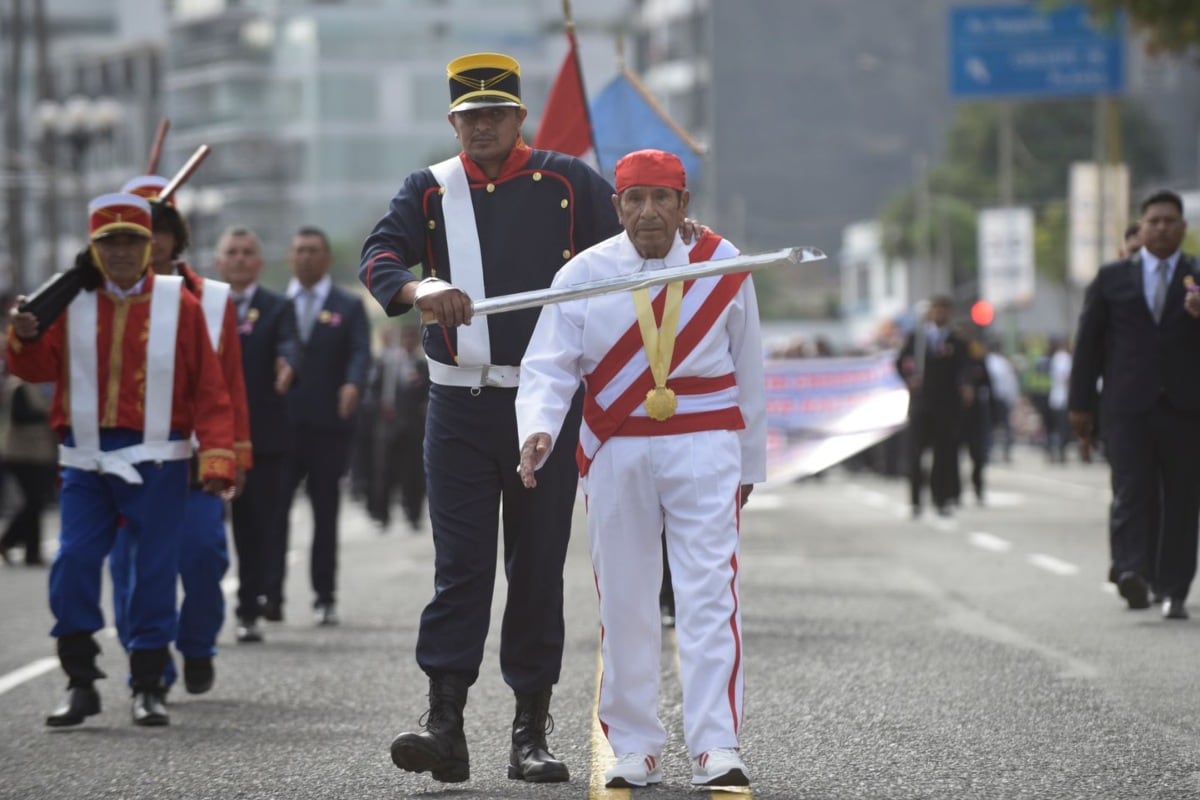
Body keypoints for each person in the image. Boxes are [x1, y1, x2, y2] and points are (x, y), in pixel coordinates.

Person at [357, 52, 623, 785]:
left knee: (535, 568)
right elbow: (379, 255)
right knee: (461, 568)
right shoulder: (429, 189)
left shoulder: (572, 179)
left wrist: (670, 221)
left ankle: (529, 733)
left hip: (544, 402)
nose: (481, 127)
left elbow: (630, 245)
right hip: (459, 404)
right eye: (468, 117)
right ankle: (443, 723)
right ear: (453, 122)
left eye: (493, 115)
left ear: (518, 117)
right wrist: (418, 287)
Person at [516, 149, 765, 789]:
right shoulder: (583, 273)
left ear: (684, 204)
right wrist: (538, 427)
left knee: (709, 594)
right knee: (624, 597)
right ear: (617, 206)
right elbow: (549, 363)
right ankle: (633, 746)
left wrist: (750, 464)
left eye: (662, 198)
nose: (648, 212)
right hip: (617, 447)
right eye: (635, 200)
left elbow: (749, 369)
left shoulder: (724, 262)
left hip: (705, 442)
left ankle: (716, 745)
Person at [7, 192, 235, 727]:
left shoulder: (181, 303)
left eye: (132, 240)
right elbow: (37, 369)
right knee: (74, 563)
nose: (123, 252)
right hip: (85, 460)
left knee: (153, 572)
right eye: (110, 243)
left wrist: (218, 456)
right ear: (95, 247)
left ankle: (148, 684)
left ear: (148, 244)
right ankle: (80, 681)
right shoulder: (66, 301)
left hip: (159, 460)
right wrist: (20, 337)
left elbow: (210, 389)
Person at [106, 175, 252, 696]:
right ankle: (150, 666)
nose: (153, 239)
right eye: (140, 229)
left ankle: (197, 644)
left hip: (192, 458)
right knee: (130, 569)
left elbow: (228, 383)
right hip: (122, 458)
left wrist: (231, 454)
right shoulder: (98, 301)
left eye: (160, 227)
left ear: (172, 235)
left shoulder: (210, 299)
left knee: (204, 555)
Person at [1069, 189, 1200, 620]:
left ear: (1183, 229)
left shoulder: (1197, 276)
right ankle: (1132, 572)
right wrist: (1081, 405)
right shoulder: (1111, 278)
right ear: (1140, 229)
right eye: (1153, 221)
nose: (1161, 228)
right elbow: (1087, 345)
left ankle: (1174, 588)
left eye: (1170, 221)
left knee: (1182, 499)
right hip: (1126, 408)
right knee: (1132, 491)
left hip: (1184, 409)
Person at [272, 225, 371, 626]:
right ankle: (270, 594)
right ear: (290, 259)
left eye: (314, 250)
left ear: (327, 258)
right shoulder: (276, 306)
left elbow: (360, 353)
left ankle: (324, 596)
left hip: (330, 425)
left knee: (325, 513)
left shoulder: (347, 306)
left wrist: (353, 382)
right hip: (282, 426)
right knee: (274, 514)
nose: (306, 257)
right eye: (299, 250)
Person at [213, 225, 299, 640]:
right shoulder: (203, 306)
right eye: (233, 251)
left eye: (248, 252)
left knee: (254, 525)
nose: (241, 258)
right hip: (208, 433)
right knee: (205, 530)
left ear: (260, 262)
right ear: (219, 261)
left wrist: (287, 364)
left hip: (261, 435)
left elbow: (289, 344)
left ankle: (248, 607)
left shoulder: (278, 307)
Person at [895, 297, 970, 517]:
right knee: (916, 453)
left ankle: (941, 498)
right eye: (936, 310)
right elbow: (901, 362)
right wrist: (909, 378)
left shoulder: (957, 342)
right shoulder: (916, 339)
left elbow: (965, 367)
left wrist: (965, 385)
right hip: (921, 404)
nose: (939, 314)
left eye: (944, 310)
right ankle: (916, 501)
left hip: (946, 405)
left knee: (944, 454)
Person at [364, 325, 429, 532]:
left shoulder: (421, 365)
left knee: (414, 473)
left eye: (412, 339)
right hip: (388, 424)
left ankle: (413, 515)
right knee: (383, 471)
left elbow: (428, 393)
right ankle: (381, 515)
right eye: (405, 339)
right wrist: (380, 408)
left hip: (412, 426)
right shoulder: (387, 363)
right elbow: (373, 390)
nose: (409, 343)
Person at [0, 376, 57, 566]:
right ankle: (12, 542)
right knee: (33, 502)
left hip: (42, 454)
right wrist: (50, 415)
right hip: (21, 454)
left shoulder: (47, 387)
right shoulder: (20, 386)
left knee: (36, 504)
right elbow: (21, 415)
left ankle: (30, 551)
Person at [983, 340, 1018, 464]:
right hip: (1002, 398)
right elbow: (1010, 383)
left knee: (989, 426)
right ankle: (1006, 451)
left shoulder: (987, 361)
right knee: (1005, 426)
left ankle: (988, 451)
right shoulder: (1004, 363)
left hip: (991, 399)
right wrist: (1012, 399)